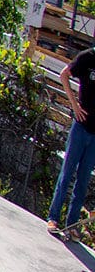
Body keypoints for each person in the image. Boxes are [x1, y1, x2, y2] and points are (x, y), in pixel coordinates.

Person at [47, 45, 95, 236]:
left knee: (83, 180)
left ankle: (72, 224)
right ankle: (53, 218)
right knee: (67, 173)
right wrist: (74, 104)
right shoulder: (87, 57)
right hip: (81, 126)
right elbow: (64, 74)